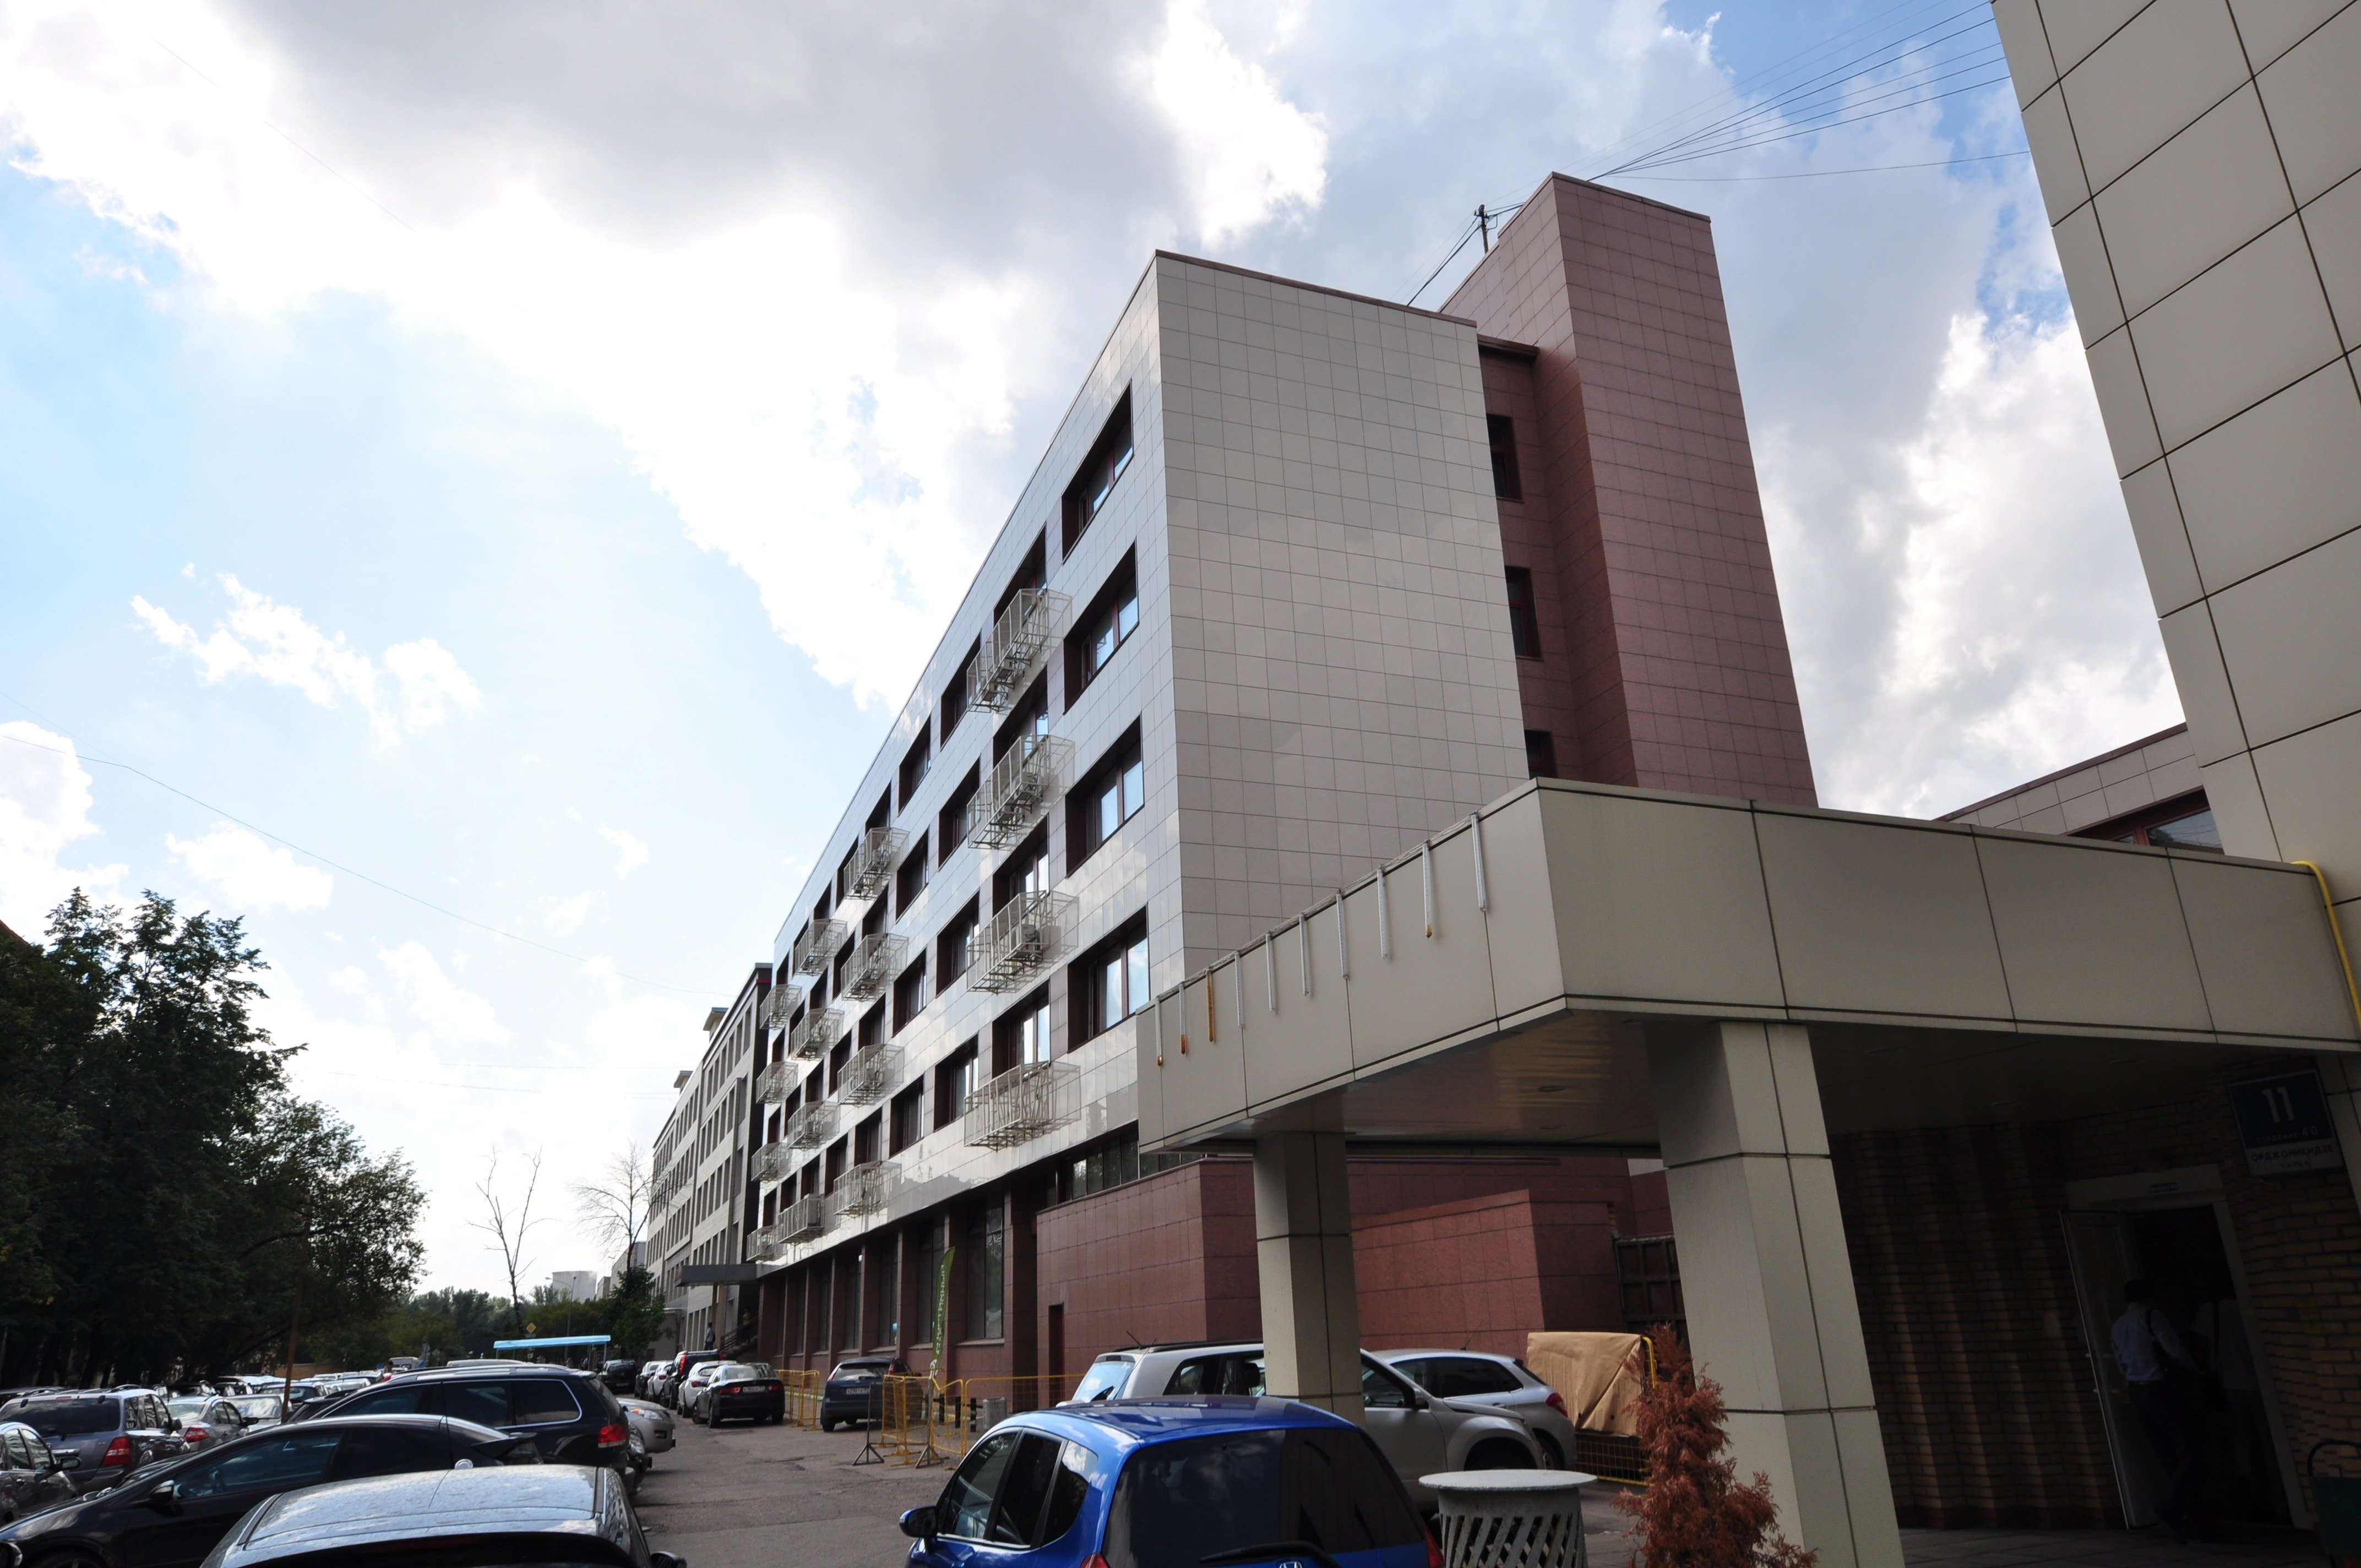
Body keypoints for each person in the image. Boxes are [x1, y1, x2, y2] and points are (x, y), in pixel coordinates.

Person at [2114, 1278, 2212, 1539]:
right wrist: (2193, 1371)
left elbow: (2121, 1363)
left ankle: (2191, 1515)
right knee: (2190, 1449)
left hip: (2137, 1390)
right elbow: (2174, 1349)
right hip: (2160, 1388)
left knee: (2167, 1452)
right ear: (2150, 1296)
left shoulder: (2118, 1325)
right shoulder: (2152, 1317)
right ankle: (2173, 1506)